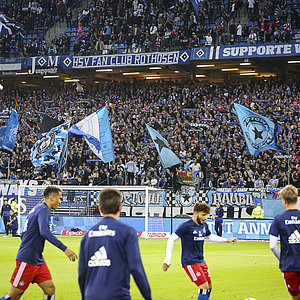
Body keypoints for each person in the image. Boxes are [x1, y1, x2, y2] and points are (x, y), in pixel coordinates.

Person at [0, 186, 78, 300]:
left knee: (50, 289)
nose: (60, 202)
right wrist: (64, 248)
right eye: (59, 198)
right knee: (13, 296)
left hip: (37, 260)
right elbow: (44, 231)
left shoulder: (38, 209)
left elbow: (24, 234)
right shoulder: (44, 209)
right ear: (52, 197)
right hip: (27, 259)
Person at [78, 188, 152, 300]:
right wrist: (147, 296)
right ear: (120, 207)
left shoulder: (87, 235)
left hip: (91, 295)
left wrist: (85, 296)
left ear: (100, 209)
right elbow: (135, 267)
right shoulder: (127, 232)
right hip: (117, 295)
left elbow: (82, 273)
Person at [162, 202, 237, 300]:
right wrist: (168, 259)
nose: (205, 217)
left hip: (201, 261)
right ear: (195, 214)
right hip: (190, 262)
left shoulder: (204, 225)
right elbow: (171, 239)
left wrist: (226, 240)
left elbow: (210, 236)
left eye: (207, 215)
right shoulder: (186, 226)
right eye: (203, 215)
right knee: (204, 288)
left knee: (209, 287)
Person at [269, 184, 300, 299]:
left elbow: (272, 246)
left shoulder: (278, 219)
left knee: (296, 297)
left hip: (289, 266)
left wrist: (282, 260)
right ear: (296, 199)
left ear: (284, 201)